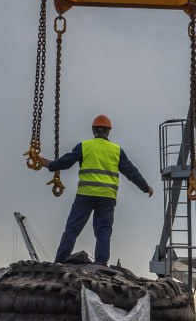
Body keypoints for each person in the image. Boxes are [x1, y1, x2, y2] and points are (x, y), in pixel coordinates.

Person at [37, 114, 153, 265]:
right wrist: (145, 187)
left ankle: (60, 261)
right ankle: (100, 263)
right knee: (103, 231)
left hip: (85, 195)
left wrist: (48, 165)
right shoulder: (116, 150)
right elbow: (132, 172)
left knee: (72, 229)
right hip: (107, 197)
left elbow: (65, 162)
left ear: (93, 130)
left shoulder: (84, 146)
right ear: (109, 131)